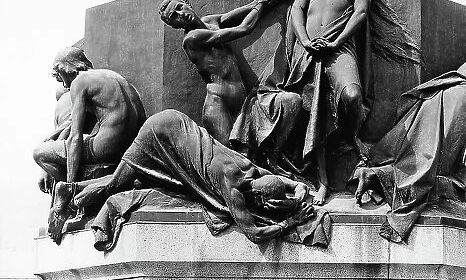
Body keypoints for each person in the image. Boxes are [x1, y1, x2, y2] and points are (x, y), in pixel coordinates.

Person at [352, 42, 466, 243]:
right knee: (437, 167)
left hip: (444, 97)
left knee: (431, 162)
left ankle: (373, 175)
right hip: (465, 99)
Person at [48, 109, 316, 244]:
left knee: (138, 180)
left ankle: (72, 190)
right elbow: (254, 234)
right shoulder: (232, 188)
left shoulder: (248, 168)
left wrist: (297, 185)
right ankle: (68, 192)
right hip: (159, 135)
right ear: (258, 196)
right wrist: (290, 221)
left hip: (175, 123)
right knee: (117, 182)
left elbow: (272, 177)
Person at [284, 0, 420, 204]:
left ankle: (349, 138)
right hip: (310, 49)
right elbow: (297, 10)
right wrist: (304, 41)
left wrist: (335, 41)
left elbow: (360, 12)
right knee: (316, 111)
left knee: (352, 96)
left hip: (339, 47)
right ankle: (323, 181)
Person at [159, 0, 307, 146]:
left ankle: (273, 162)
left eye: (179, 8)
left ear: (187, 3)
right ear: (175, 26)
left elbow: (251, 7)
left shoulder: (210, 21)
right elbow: (245, 28)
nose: (180, 14)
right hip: (219, 105)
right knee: (232, 161)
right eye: (174, 17)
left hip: (242, 100)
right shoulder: (192, 38)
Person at [33, 47, 146, 199]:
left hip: (107, 147)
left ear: (67, 68)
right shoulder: (112, 77)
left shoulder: (79, 83)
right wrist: (54, 135)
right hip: (132, 146)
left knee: (39, 152)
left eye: (60, 76)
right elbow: (73, 122)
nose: (64, 86)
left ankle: (70, 192)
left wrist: (70, 183)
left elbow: (75, 137)